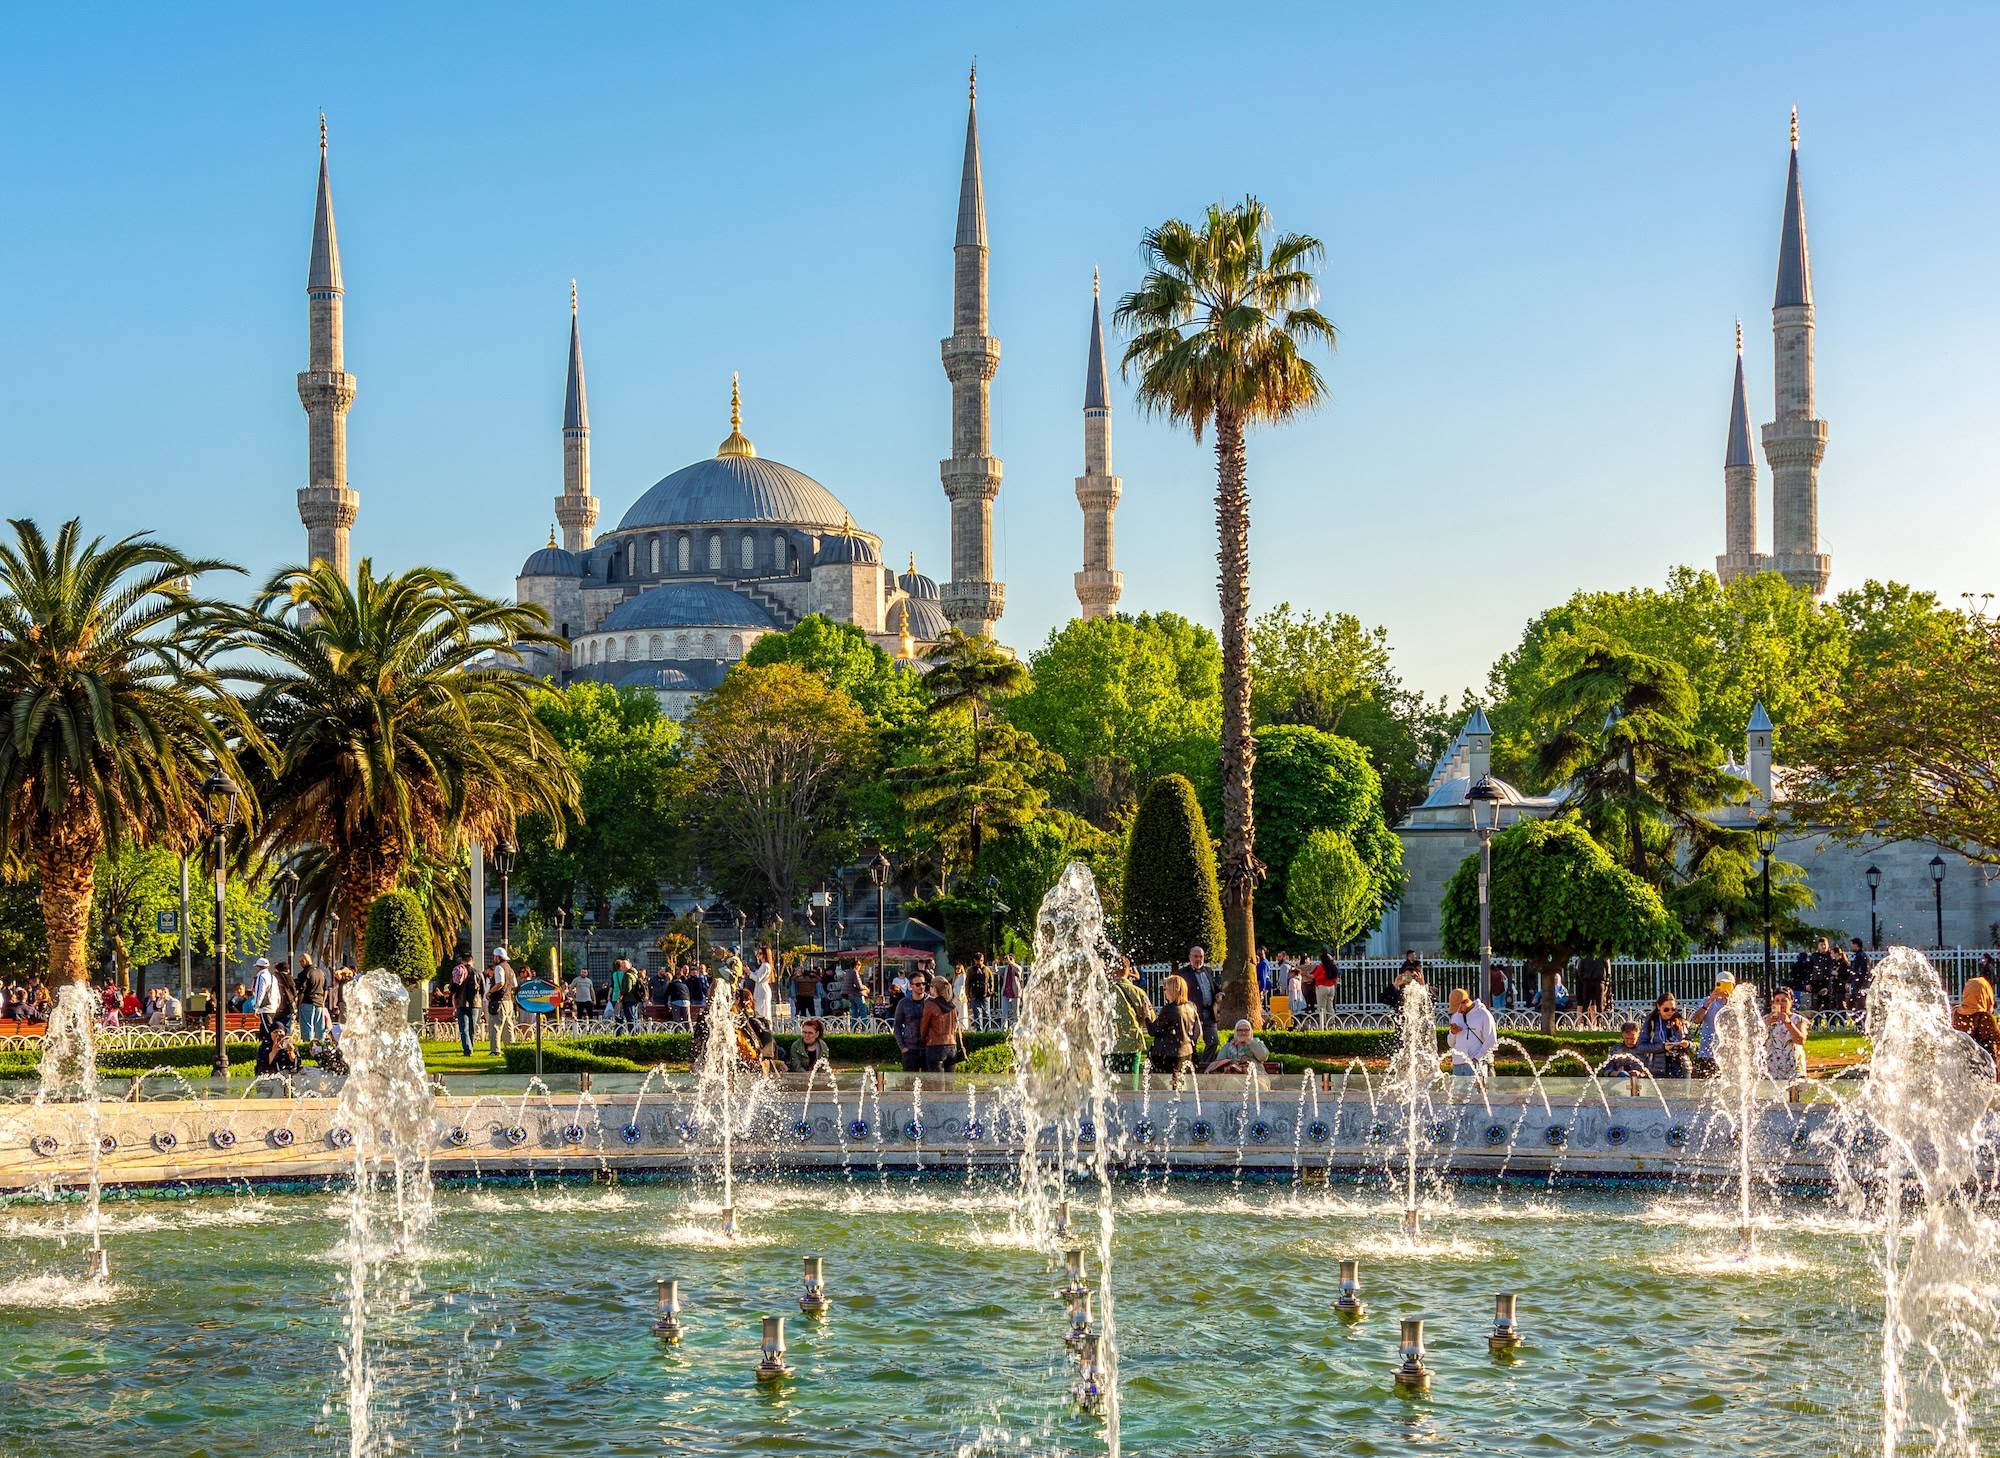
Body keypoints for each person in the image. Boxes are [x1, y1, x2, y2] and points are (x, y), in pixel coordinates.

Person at [1148, 975, 1200, 1078]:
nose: (1165, 991)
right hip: (1187, 1051)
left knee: (1167, 1086)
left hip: (1168, 1054)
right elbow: (1195, 1032)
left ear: (1172, 990)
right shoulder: (1191, 1007)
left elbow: (1153, 1030)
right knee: (1182, 1085)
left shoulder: (1169, 1009)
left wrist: (1147, 1016)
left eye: (1166, 988)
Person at [1952, 975, 1998, 1078]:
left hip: (1962, 1065)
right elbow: (1997, 1040)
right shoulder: (1985, 1017)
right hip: (1985, 1068)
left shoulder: (1955, 1013)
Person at [1109, 958, 1153, 1068]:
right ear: (1128, 971)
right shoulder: (1138, 992)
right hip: (1133, 1043)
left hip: (1110, 1043)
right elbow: (1150, 1018)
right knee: (1132, 1083)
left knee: (1110, 1082)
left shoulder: (1105, 992)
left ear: (1113, 970)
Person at [1637, 993, 1692, 1079]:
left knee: (1682, 1093)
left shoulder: (1682, 1022)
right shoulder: (1651, 1023)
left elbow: (1693, 1047)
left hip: (1682, 1068)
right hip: (1658, 1069)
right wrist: (1663, 1047)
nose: (1670, 1012)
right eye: (1666, 1009)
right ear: (1659, 1007)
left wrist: (1688, 1044)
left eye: (1673, 1009)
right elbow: (1640, 1047)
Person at [1445, 988, 1497, 1079]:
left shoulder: (1484, 1014)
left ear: (1467, 1001)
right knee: (1457, 1093)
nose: (1459, 1011)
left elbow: (1491, 1041)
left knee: (1477, 1093)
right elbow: (1451, 1043)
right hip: (1458, 1064)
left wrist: (1476, 1058)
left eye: (1460, 1007)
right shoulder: (1456, 1016)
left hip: (1476, 1064)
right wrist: (1453, 1033)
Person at [1763, 986, 1808, 1083]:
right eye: (1777, 1000)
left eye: (1784, 1000)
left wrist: (1788, 1023)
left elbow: (1801, 1040)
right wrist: (1767, 1023)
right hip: (1771, 1068)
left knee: (1794, 1096)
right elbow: (1756, 1041)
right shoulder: (1766, 1019)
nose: (1780, 1003)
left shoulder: (1798, 1020)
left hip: (1793, 1065)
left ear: (1791, 1001)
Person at [1691, 977, 1735, 1076]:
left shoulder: (1736, 1004)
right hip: (1707, 1054)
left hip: (1729, 1055)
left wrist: (1730, 1003)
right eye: (1721, 984)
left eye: (1727, 985)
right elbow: (1696, 1020)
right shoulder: (1707, 1000)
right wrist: (1710, 1001)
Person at [1180, 946, 1218, 1059]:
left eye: (1201, 957)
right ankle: (1192, 1065)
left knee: (1213, 1041)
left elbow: (1214, 987)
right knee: (1191, 1043)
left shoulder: (1208, 971)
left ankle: (1205, 1066)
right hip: (1192, 1014)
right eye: (1196, 956)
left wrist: (1220, 994)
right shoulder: (1183, 973)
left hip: (1209, 1013)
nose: (1198, 959)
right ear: (1190, 957)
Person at [893, 970, 931, 1072]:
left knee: (929, 1084)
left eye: (923, 983)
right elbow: (897, 1026)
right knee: (909, 1084)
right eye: (918, 984)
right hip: (910, 1049)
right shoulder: (903, 1003)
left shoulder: (931, 1002)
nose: (922, 986)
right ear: (911, 985)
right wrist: (903, 1047)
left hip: (928, 1049)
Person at [920, 979, 959, 1073]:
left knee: (937, 1084)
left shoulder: (931, 1005)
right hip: (952, 1046)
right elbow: (955, 1027)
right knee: (950, 1084)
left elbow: (924, 1027)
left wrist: (923, 1039)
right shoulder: (952, 1006)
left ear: (934, 989)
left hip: (935, 1046)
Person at [445, 954, 480, 1056]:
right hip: (475, 1004)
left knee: (464, 1028)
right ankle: (471, 1047)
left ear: (462, 961)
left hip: (461, 1003)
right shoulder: (477, 973)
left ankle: (467, 1049)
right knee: (472, 1028)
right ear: (472, 961)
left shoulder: (457, 972)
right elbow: (482, 989)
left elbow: (451, 988)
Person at [486, 949, 518, 1052]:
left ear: (498, 957)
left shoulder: (499, 967)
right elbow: (515, 985)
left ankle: (495, 1050)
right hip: (508, 1001)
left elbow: (500, 983)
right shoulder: (510, 968)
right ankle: (511, 1050)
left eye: (495, 956)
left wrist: (490, 992)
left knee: (495, 1026)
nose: (494, 958)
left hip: (499, 1001)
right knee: (508, 1027)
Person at [296, 954, 331, 1045]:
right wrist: (322, 1002)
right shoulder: (321, 972)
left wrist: (299, 1003)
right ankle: (322, 1046)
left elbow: (302, 990)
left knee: (307, 1027)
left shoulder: (305, 973)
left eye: (301, 962)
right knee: (320, 1027)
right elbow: (326, 989)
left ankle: (308, 1047)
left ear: (304, 961)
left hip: (307, 1002)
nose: (300, 964)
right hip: (319, 1002)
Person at [1572, 954, 1608, 1026]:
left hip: (1588, 981)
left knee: (1586, 1004)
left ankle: (1585, 1022)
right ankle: (1598, 1023)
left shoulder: (1584, 956)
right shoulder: (1602, 955)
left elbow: (1579, 970)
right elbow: (1607, 968)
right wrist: (1606, 981)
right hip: (1598, 981)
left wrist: (1583, 980)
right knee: (1599, 1004)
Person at [750, 944, 775, 1023]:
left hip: (762, 991)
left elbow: (758, 978)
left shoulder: (766, 966)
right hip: (759, 989)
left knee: (763, 1011)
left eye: (760, 953)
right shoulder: (763, 965)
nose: (758, 955)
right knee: (759, 1010)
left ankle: (765, 1028)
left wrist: (749, 973)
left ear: (765, 955)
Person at [965, 953, 990, 1026]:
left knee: (986, 1013)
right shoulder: (971, 970)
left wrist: (990, 991)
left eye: (981, 960)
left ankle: (987, 1030)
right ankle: (979, 1030)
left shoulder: (987, 969)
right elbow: (967, 983)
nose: (980, 962)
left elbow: (991, 980)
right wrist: (968, 994)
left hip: (985, 994)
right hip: (974, 994)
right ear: (975, 960)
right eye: (978, 960)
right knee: (976, 1013)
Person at [998, 953, 1022, 1025]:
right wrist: (994, 964)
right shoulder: (1005, 969)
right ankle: (1003, 1030)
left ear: (1014, 960)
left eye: (1011, 959)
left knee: (1015, 1013)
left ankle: (1016, 1029)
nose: (1009, 960)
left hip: (1015, 993)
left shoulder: (1017, 968)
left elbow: (1018, 969)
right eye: (1008, 959)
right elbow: (996, 971)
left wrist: (1010, 962)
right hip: (1006, 993)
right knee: (1004, 1013)